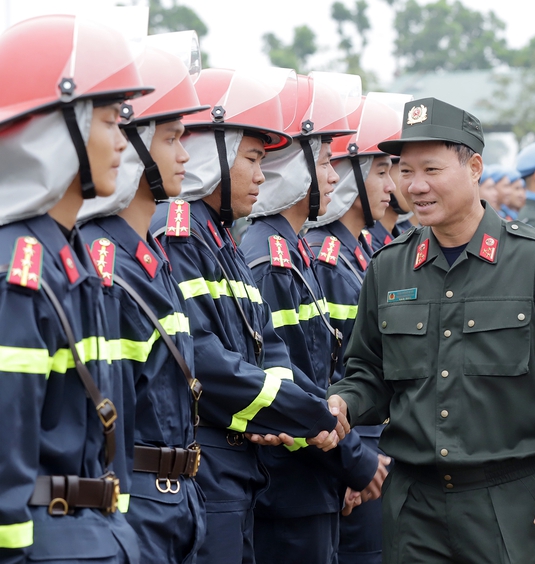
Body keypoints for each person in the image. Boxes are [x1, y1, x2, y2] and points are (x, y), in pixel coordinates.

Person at [327, 97, 535, 563]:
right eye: (404, 170)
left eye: (432, 170)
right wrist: (343, 402)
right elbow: (369, 373)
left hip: (509, 503)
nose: (415, 186)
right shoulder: (389, 267)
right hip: (412, 505)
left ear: (474, 166)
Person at [149, 68, 348, 564]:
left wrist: (306, 410)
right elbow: (206, 359)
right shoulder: (181, 232)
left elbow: (268, 349)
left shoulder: (218, 237)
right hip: (213, 465)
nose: (262, 175)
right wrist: (311, 414)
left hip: (237, 467)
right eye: (254, 158)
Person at [0, 14, 149, 562]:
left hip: (99, 536)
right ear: (54, 127)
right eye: (110, 123)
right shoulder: (19, 272)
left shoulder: (72, 260)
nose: (123, 144)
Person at [240, 71, 384, 564]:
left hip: (312, 480)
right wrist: (353, 460)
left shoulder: (290, 251)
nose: (333, 177)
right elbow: (290, 380)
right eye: (325, 163)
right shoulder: (269, 256)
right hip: (292, 485)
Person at [77, 43, 208, 563]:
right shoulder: (105, 262)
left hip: (178, 501)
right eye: (172, 139)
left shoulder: (148, 255)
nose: (184, 155)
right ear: (133, 145)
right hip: (139, 509)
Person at [302, 91, 409, 564]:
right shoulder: (327, 258)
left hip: (373, 448)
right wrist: (346, 462)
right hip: (353, 448)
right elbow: (324, 372)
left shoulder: (361, 252)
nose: (392, 184)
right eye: (381, 170)